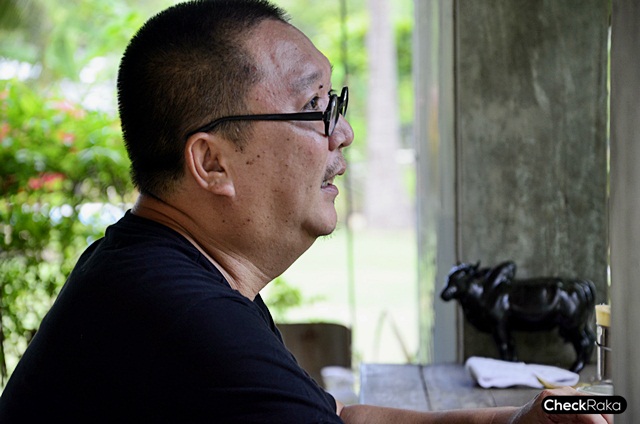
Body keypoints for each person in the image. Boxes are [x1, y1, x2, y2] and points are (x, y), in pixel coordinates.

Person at [0, 1, 612, 423]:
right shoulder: (182, 316)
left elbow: (337, 416)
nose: (343, 133)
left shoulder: (164, 271)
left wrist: (515, 420)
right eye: (316, 106)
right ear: (211, 162)